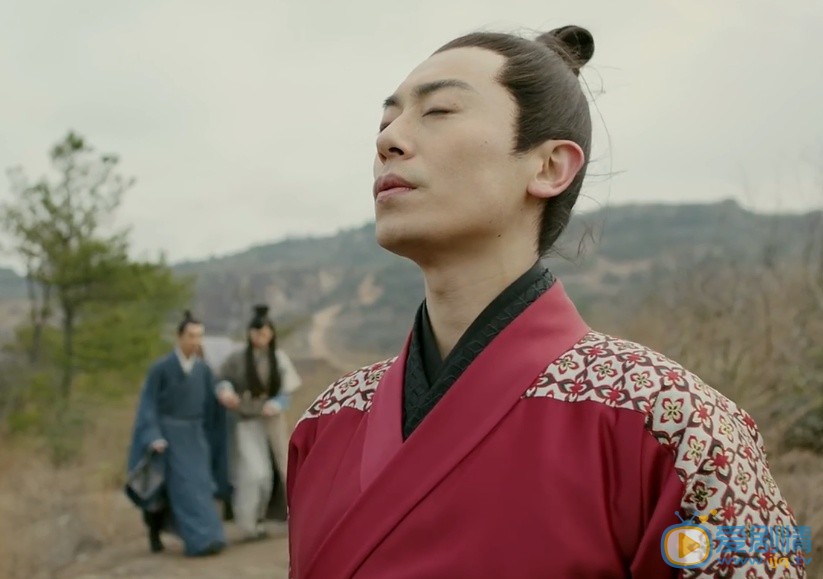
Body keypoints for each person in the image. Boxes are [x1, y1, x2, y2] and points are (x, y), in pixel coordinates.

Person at [286, 25, 806, 578]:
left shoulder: (674, 419)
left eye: (438, 111)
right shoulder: (329, 420)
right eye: (385, 122)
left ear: (550, 166)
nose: (388, 141)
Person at [125, 310, 229, 557]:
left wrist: (225, 394)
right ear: (179, 337)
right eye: (191, 336)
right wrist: (153, 435)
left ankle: (212, 536)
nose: (196, 341)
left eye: (199, 336)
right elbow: (148, 405)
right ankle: (196, 540)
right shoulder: (160, 368)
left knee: (201, 486)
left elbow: (212, 402)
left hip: (196, 435)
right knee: (176, 488)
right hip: (169, 435)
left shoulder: (203, 370)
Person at [216, 304, 302, 541]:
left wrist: (278, 403)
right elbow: (223, 379)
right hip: (246, 419)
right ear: (249, 333)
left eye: (264, 333)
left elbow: (287, 389)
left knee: (281, 469)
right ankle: (248, 521)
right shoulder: (237, 358)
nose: (260, 337)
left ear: (271, 334)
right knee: (255, 473)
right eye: (256, 333)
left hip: (272, 420)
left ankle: (274, 518)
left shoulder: (278, 358)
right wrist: (225, 391)